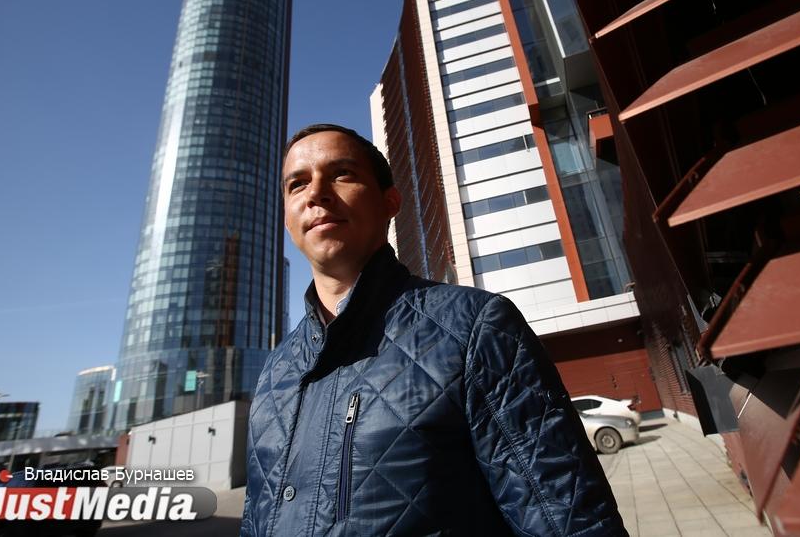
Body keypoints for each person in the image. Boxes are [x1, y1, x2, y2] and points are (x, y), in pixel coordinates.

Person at [241, 124, 627, 537]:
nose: (316, 193)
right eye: (297, 184)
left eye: (341, 174)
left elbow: (568, 520)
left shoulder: (475, 327)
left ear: (390, 201)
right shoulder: (275, 371)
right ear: (287, 218)